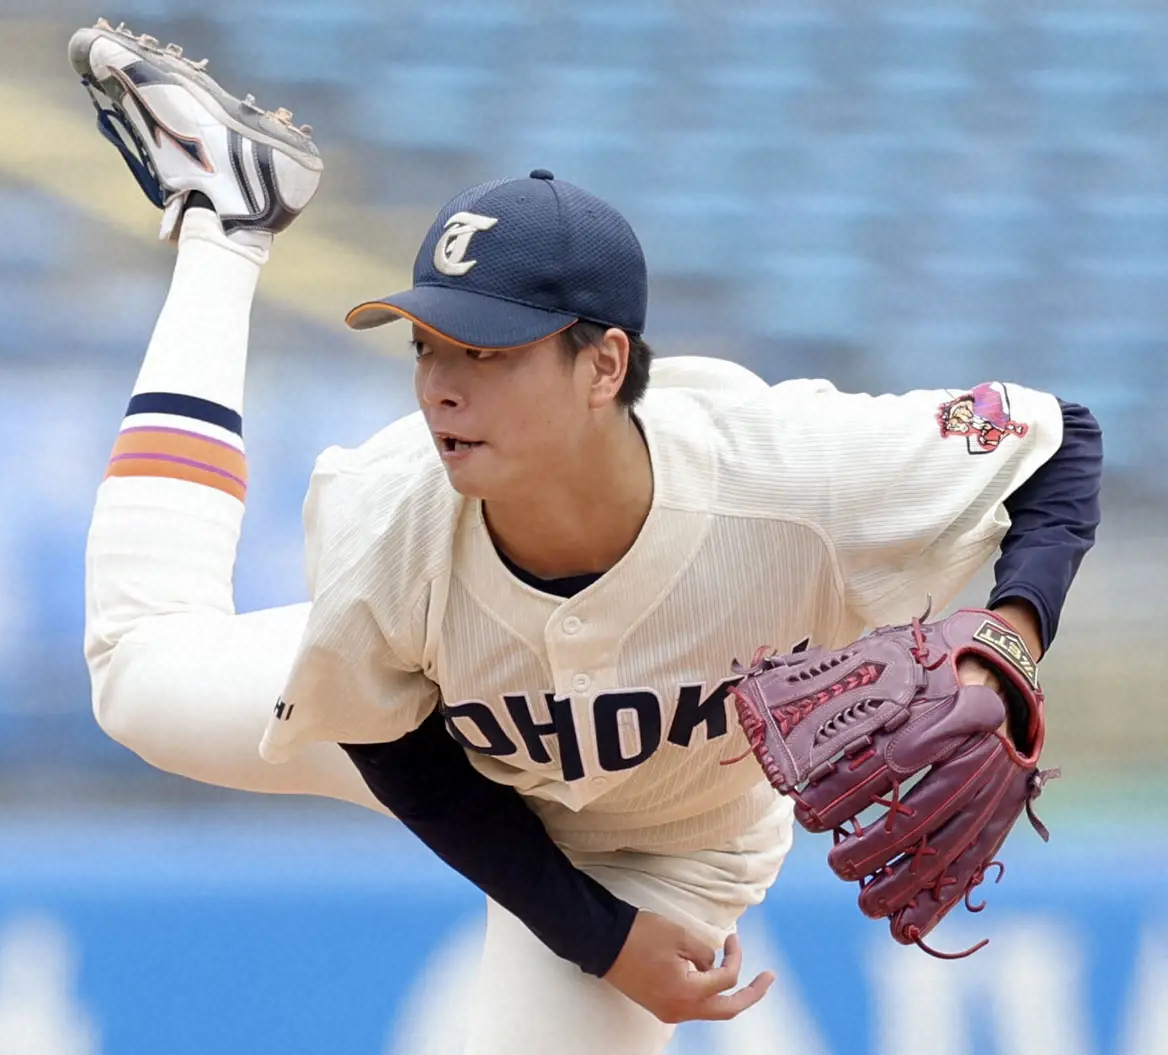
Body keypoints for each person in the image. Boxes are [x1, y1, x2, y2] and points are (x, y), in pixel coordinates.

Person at [71, 19, 1102, 1055]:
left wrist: (1008, 642)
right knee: (137, 677)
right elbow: (398, 748)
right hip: (461, 754)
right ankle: (226, 219)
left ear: (603, 364)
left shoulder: (792, 472)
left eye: (487, 348)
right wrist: (597, 938)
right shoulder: (387, 513)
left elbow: (1060, 445)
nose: (441, 384)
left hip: (663, 846)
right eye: (428, 344)